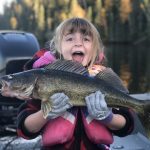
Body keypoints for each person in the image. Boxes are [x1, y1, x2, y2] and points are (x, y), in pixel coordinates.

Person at [17, 17, 134, 150]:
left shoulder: (103, 79)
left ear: (95, 49)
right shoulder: (43, 81)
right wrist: (46, 114)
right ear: (58, 48)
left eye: (86, 39)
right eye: (70, 39)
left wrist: (108, 118)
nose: (78, 43)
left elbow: (127, 125)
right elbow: (24, 129)